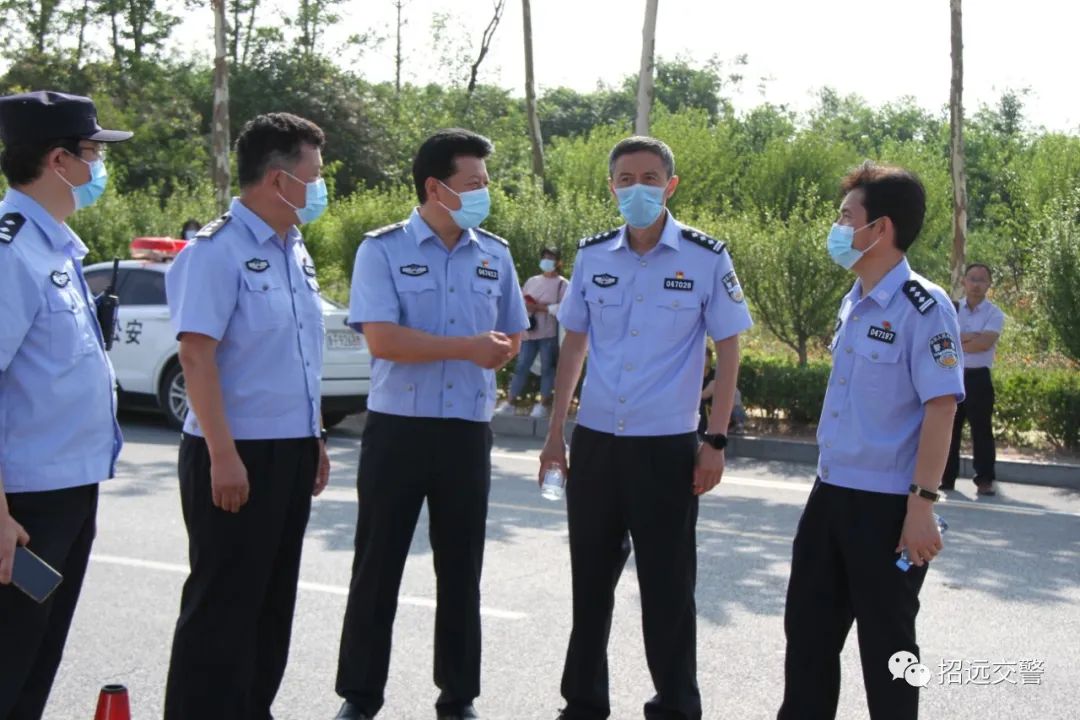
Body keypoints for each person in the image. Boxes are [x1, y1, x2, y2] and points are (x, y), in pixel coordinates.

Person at [539, 136, 753, 720]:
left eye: (651, 178)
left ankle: (675, 706)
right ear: (612, 187)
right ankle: (583, 704)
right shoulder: (593, 256)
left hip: (666, 448)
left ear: (671, 186)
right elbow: (574, 346)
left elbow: (729, 350)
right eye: (627, 179)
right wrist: (556, 433)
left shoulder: (706, 257)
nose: (638, 189)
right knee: (590, 585)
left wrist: (715, 441)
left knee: (668, 589)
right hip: (597, 443)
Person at [334, 129, 529, 720]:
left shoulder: (494, 253)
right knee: (377, 566)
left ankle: (458, 696)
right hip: (398, 430)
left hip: (466, 432)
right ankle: (360, 697)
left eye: (486, 182)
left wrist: (497, 350)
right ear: (435, 188)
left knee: (462, 570)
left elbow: (513, 331)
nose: (484, 192)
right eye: (474, 183)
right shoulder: (383, 250)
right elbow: (383, 339)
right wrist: (466, 348)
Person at [777, 162, 964, 720]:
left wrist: (921, 506)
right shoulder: (855, 298)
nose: (837, 228)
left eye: (845, 216)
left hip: (887, 507)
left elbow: (941, 407)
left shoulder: (924, 306)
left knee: (889, 652)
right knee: (808, 640)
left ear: (880, 228)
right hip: (830, 493)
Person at [162, 112, 331, 720]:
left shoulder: (293, 248)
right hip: (234, 452)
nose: (321, 186)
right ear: (280, 179)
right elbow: (196, 356)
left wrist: (313, 437)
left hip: (290, 448)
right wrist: (223, 455)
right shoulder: (216, 252)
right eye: (315, 173)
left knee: (271, 603)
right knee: (221, 607)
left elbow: (295, 355)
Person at [0, 90, 130, 719]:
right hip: (24, 505)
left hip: (69, 492)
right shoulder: (11, 252)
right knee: (8, 664)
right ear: (58, 161)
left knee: (36, 663)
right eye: (92, 153)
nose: (98, 166)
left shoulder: (53, 247)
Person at [942, 262, 1004, 496]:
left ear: (989, 284)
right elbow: (944, 342)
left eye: (981, 280)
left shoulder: (994, 313)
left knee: (982, 431)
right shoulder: (951, 309)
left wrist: (959, 339)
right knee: (949, 429)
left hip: (978, 378)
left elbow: (984, 344)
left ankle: (985, 479)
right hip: (952, 375)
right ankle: (946, 478)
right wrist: (969, 337)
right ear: (964, 282)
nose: (976, 284)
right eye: (972, 279)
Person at [497, 246, 568, 418]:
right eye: (544, 257)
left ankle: (542, 405)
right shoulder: (532, 281)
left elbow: (564, 309)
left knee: (547, 368)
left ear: (558, 262)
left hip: (548, 334)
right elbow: (519, 301)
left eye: (551, 258)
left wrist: (539, 307)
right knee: (521, 366)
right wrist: (527, 307)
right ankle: (510, 402)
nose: (546, 261)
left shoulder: (563, 284)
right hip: (529, 333)